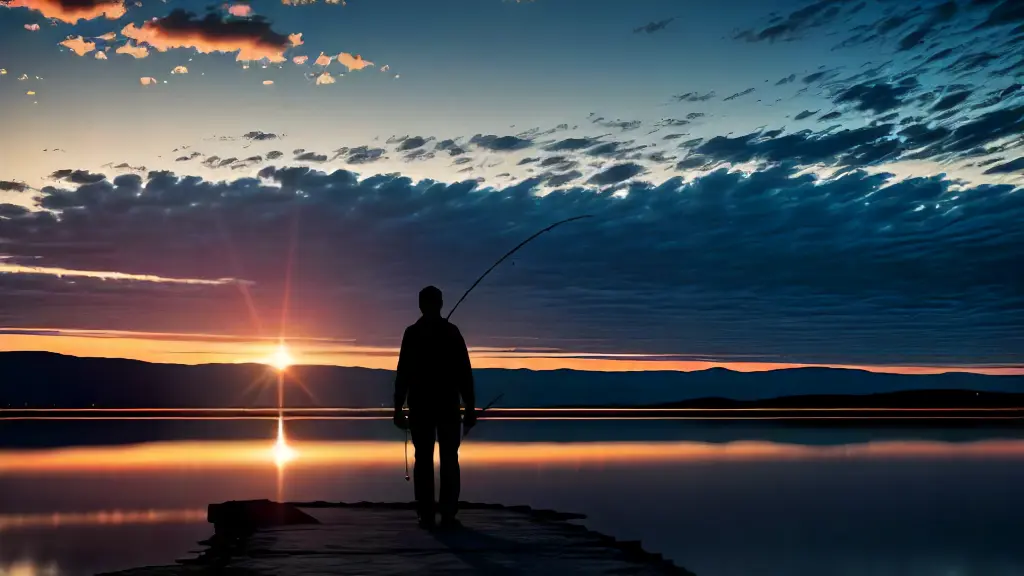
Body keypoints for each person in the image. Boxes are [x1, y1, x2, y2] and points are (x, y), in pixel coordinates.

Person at [393, 285, 477, 529]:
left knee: (429, 459)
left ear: (422, 305)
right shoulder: (450, 333)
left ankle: (429, 513)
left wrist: (398, 407)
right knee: (445, 458)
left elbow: (403, 374)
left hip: (426, 406)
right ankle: (444, 513)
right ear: (439, 304)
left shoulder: (415, 333)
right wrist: (469, 405)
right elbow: (465, 373)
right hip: (444, 405)